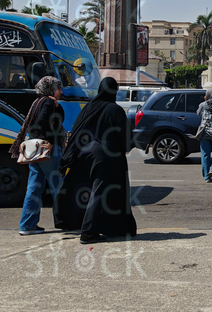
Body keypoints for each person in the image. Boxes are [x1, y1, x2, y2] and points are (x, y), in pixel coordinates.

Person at [54, 77, 137, 243]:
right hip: (106, 156)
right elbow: (126, 137)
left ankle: (103, 227)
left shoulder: (88, 108)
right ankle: (88, 232)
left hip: (84, 154)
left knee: (85, 190)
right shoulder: (115, 109)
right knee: (101, 193)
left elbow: (76, 130)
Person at [12, 75, 65, 234]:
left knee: (34, 187)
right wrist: (47, 139)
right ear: (50, 88)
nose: (61, 92)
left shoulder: (37, 101)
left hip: (34, 149)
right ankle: (68, 221)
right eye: (58, 88)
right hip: (47, 149)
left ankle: (27, 225)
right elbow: (43, 122)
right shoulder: (48, 102)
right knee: (59, 186)